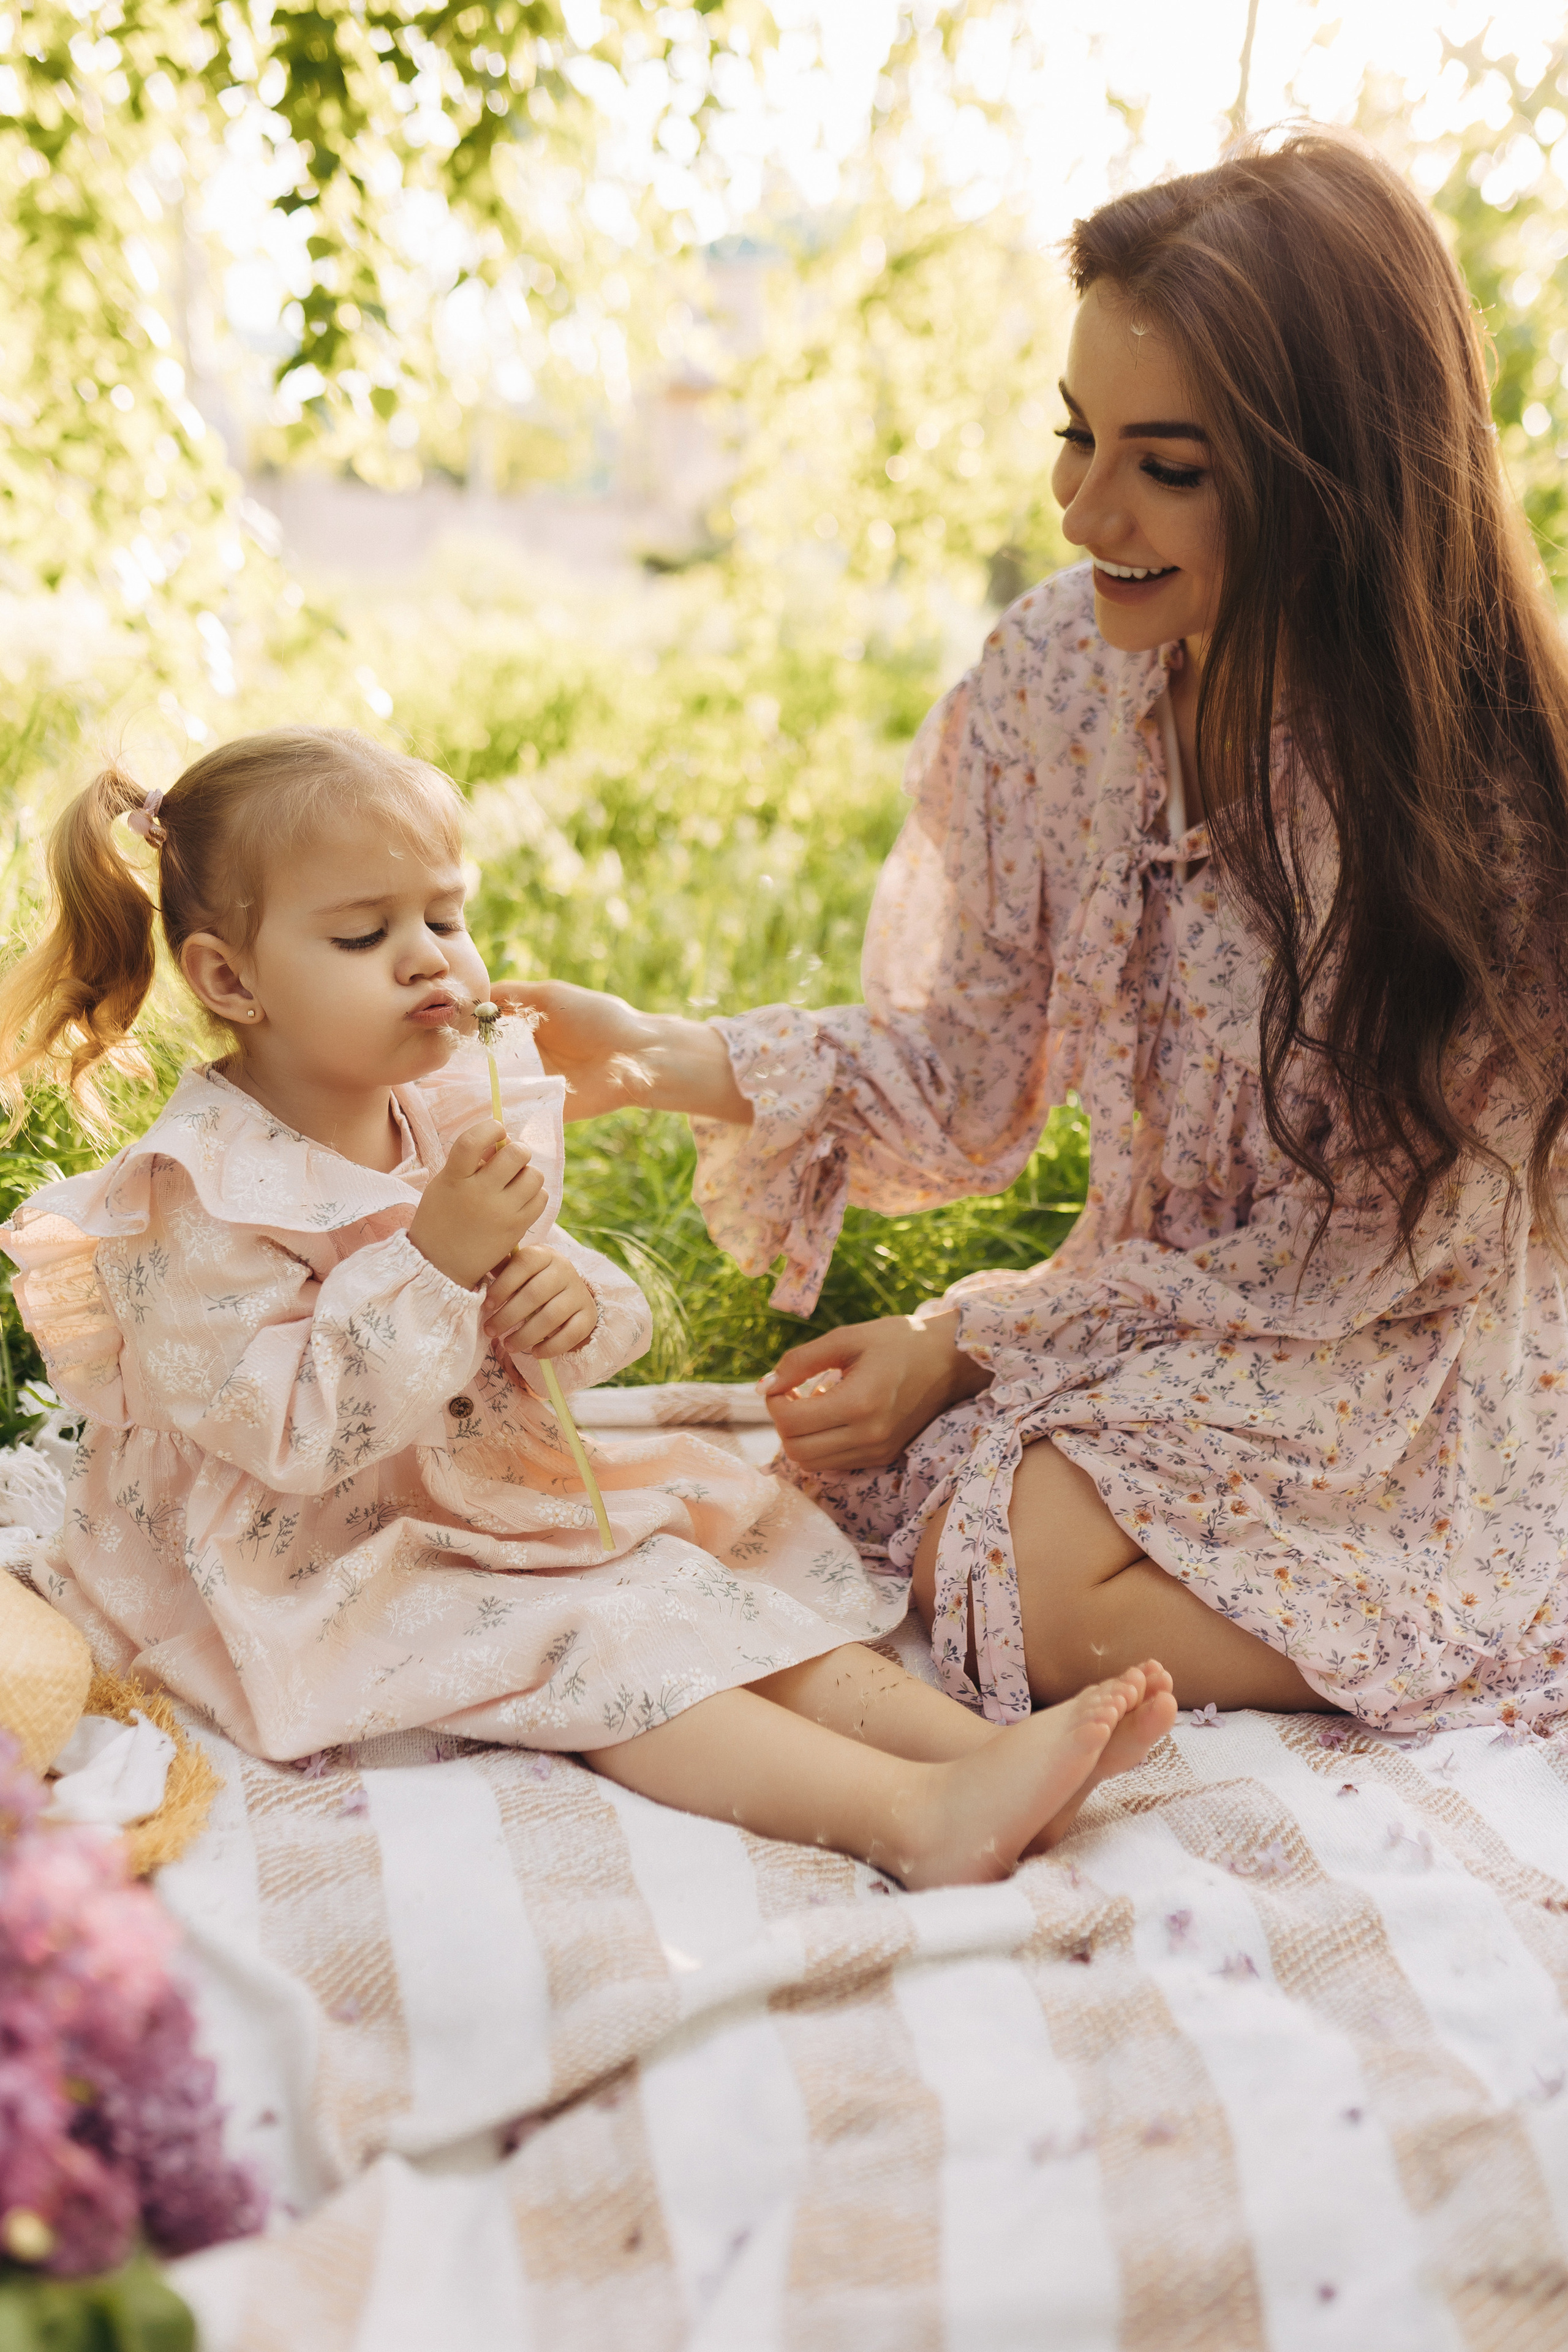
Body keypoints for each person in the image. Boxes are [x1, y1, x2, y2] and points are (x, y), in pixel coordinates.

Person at [496, 130, 1568, 1741]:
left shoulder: (1470, 792)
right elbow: (967, 1066)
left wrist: (964, 1338)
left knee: (1032, 1570)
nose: (1081, 510)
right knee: (928, 1519)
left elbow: (1368, 1256)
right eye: (1076, 438)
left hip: (1387, 1347)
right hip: (1157, 1320)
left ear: (1341, 474)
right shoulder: (1062, 679)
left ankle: (1504, 1596)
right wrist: (657, 1058)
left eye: (1166, 464)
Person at [0, 726, 1176, 1887]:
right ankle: (910, 1814)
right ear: (228, 978)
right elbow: (291, 1435)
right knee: (598, 1642)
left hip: (466, 1488)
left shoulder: (449, 1107)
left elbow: (577, 1314)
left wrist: (568, 1301)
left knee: (684, 1584)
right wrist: (437, 1265)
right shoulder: (196, 1193)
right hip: (304, 1558)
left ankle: (986, 1754)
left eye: (445, 919)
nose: (428, 960)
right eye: (365, 934)